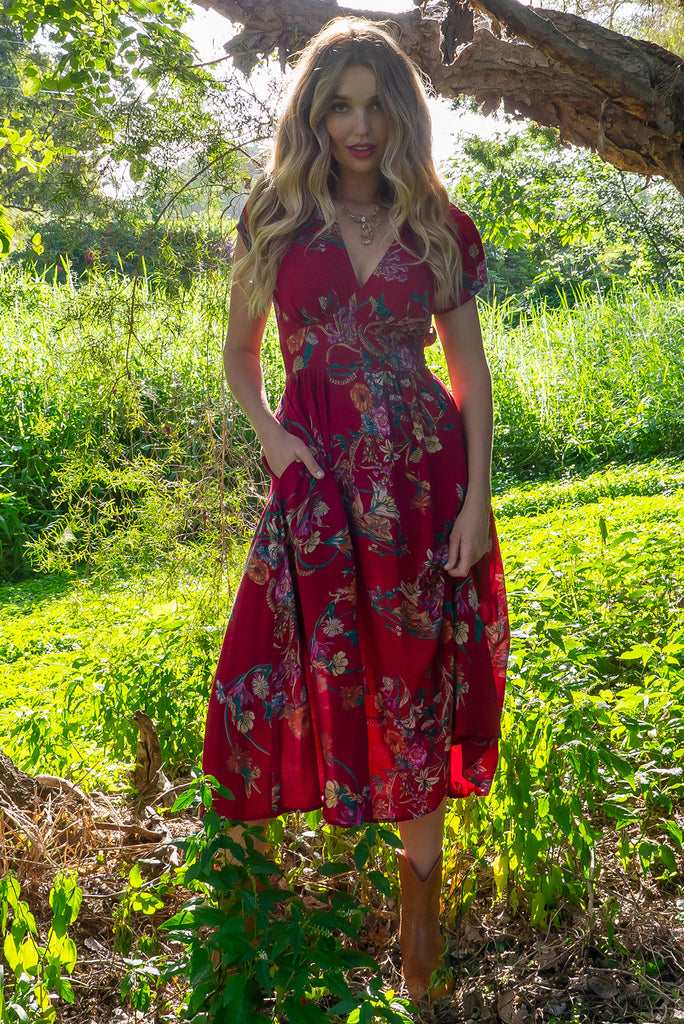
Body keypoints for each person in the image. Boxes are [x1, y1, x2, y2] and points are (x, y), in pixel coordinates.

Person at [203, 16, 509, 1002]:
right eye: (340, 104)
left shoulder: (438, 224)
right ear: (314, 112)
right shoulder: (277, 216)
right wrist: (276, 440)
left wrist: (478, 506)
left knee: (418, 683)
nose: (360, 125)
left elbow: (470, 375)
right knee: (294, 669)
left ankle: (419, 931)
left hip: (426, 491)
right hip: (322, 484)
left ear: (403, 113)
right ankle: (297, 911)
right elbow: (241, 359)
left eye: (377, 105)